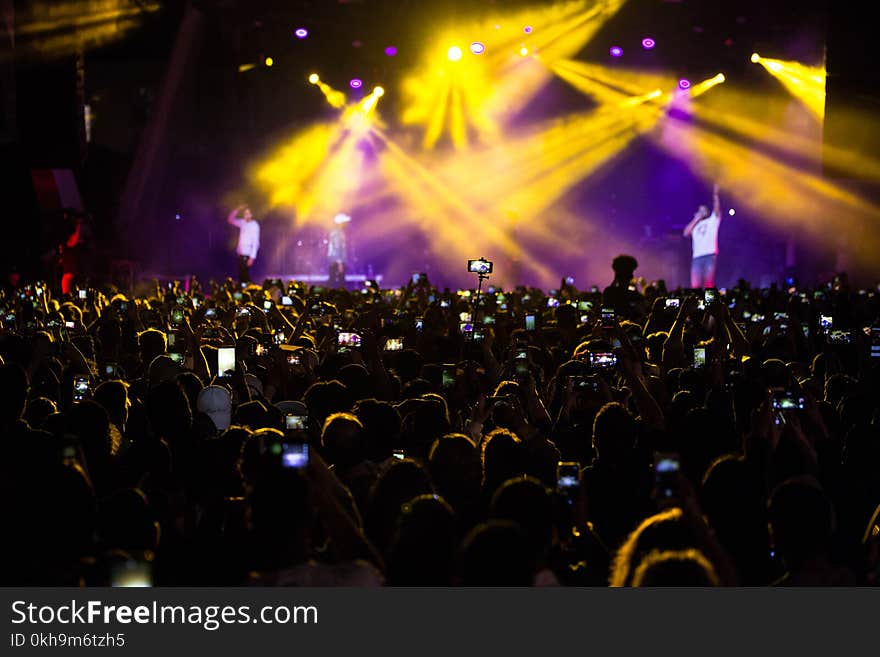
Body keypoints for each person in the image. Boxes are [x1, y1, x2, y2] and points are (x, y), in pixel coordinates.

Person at [683, 183, 722, 289]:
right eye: (700, 210)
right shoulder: (695, 225)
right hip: (696, 258)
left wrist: (716, 195)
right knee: (695, 285)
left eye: (703, 210)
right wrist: (696, 219)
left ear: (707, 212)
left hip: (709, 256)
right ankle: (696, 303)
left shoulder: (712, 221)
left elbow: (717, 209)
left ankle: (709, 304)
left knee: (708, 284)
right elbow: (685, 233)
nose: (702, 212)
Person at [227, 205, 260, 284]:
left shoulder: (254, 225)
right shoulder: (242, 222)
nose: (246, 215)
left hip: (247, 254)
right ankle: (242, 292)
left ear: (251, 215)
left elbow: (256, 242)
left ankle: (248, 293)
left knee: (245, 277)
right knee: (241, 276)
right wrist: (237, 209)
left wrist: (252, 257)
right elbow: (230, 220)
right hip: (240, 254)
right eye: (245, 214)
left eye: (248, 214)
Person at [328, 213, 350, 288]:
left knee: (333, 279)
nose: (346, 224)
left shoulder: (337, 232)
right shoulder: (338, 233)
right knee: (339, 281)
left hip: (335, 261)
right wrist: (340, 262)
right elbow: (337, 247)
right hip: (337, 261)